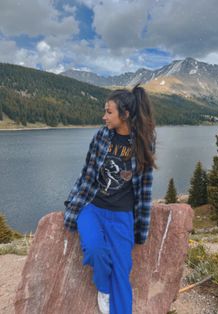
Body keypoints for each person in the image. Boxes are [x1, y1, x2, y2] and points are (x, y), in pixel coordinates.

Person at [63, 83, 157, 314]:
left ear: (125, 114)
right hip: (93, 208)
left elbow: (145, 188)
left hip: (122, 215)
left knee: (122, 271)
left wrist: (140, 228)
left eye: (109, 111)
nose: (104, 116)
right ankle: (103, 289)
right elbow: (87, 175)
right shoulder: (101, 137)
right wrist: (73, 206)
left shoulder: (143, 141)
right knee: (95, 250)